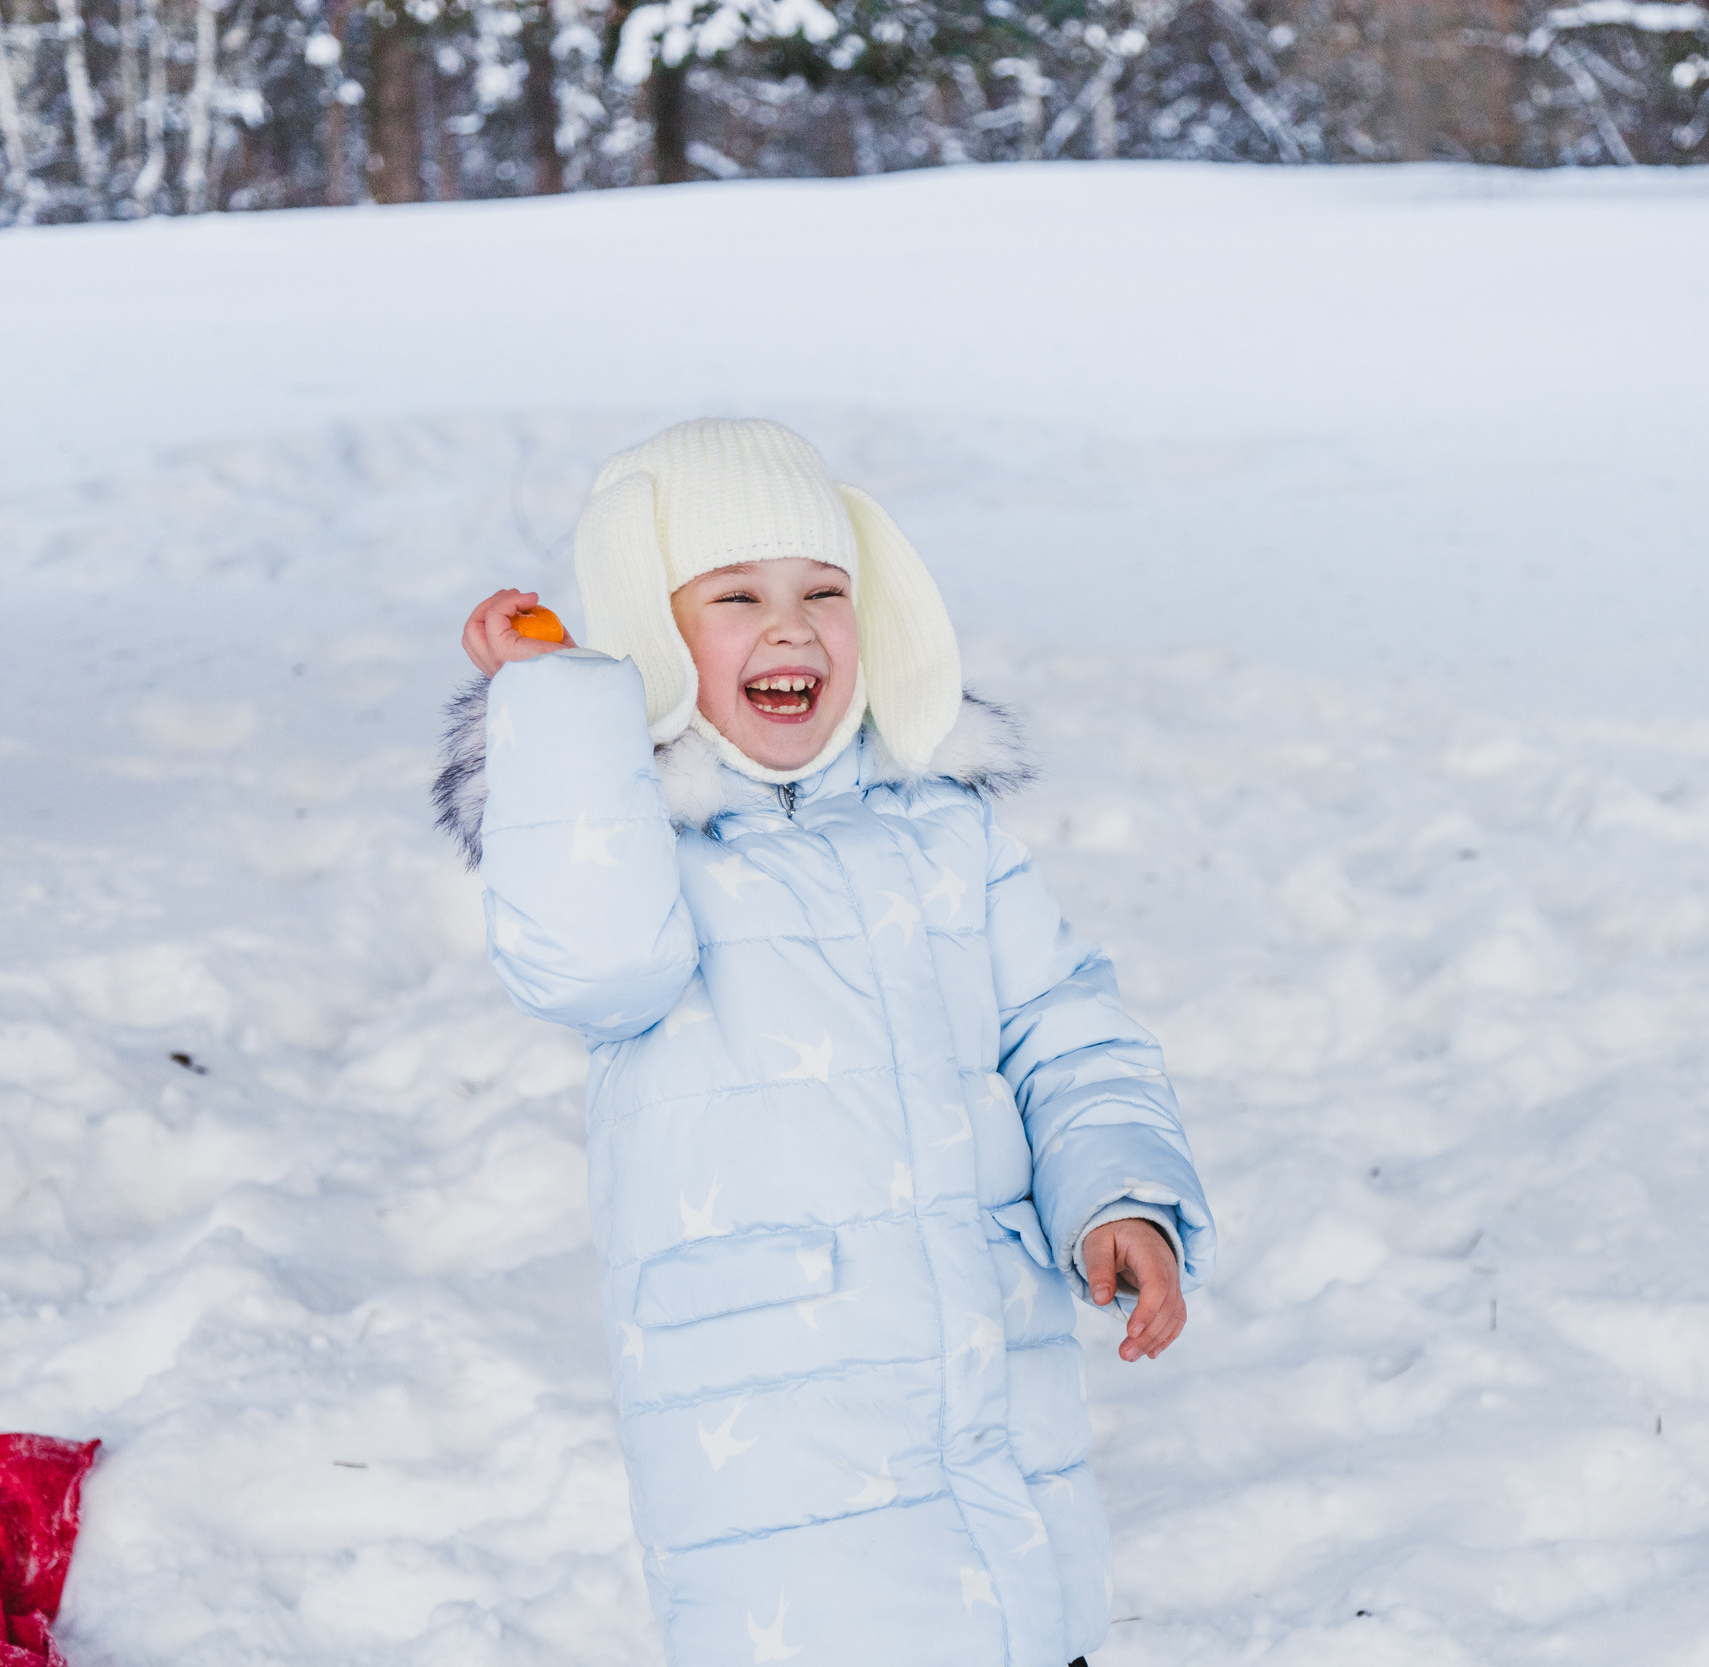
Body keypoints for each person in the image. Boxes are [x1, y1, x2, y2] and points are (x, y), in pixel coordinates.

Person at [433, 418, 1215, 1667]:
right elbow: (593, 966)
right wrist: (559, 703)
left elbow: (1065, 1026)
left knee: (1029, 1627)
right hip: (774, 1430)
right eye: (735, 594)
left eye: (824, 593)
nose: (790, 628)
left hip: (990, 1384)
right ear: (651, 629)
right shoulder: (640, 842)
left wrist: (1114, 1187)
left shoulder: (944, 828)